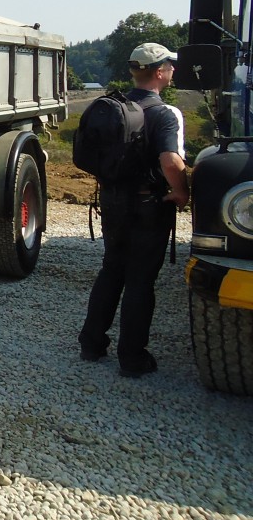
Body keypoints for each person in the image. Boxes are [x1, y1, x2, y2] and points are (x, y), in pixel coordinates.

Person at [78, 42, 189, 377]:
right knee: (140, 280)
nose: (172, 71)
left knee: (112, 269)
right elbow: (170, 160)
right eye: (169, 66)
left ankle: (92, 344)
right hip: (148, 204)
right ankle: (133, 358)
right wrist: (181, 192)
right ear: (158, 72)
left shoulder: (114, 106)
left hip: (113, 200)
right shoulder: (165, 113)